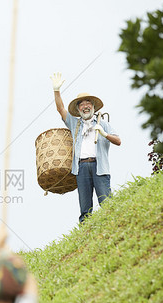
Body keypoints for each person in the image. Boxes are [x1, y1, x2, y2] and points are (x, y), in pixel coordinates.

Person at [50, 72, 121, 223]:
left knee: (107, 203)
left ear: (93, 106)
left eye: (88, 103)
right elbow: (60, 109)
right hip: (81, 168)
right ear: (78, 109)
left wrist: (104, 134)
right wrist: (56, 90)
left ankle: (113, 227)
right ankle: (86, 237)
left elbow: (118, 141)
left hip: (99, 167)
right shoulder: (75, 124)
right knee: (85, 209)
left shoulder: (102, 122)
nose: (85, 106)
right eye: (81, 104)